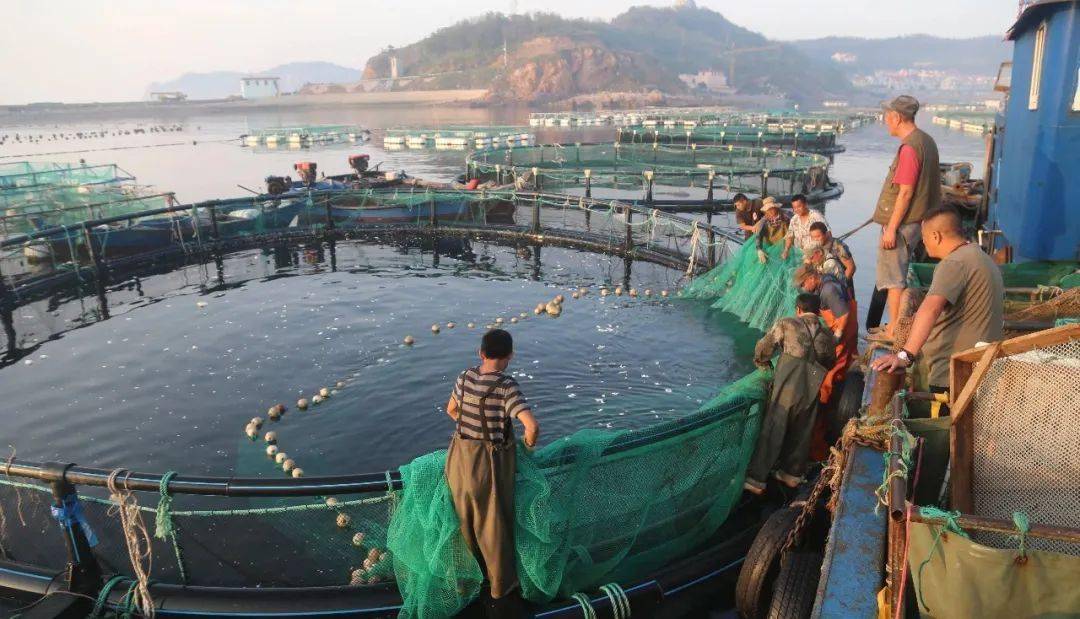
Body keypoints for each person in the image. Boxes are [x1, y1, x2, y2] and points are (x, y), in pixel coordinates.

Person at [444, 329, 540, 607]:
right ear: (509, 356)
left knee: (464, 523)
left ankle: (467, 581)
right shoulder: (507, 387)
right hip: (487, 466)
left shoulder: (464, 377)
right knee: (492, 527)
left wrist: (474, 426)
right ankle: (500, 588)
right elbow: (532, 427)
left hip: (458, 462)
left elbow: (451, 410)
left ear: (481, 353)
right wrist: (527, 448)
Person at [871, 206, 1004, 396]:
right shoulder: (982, 257)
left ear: (936, 236)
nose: (923, 243)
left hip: (953, 375)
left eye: (923, 238)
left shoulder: (953, 263)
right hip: (982, 368)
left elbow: (930, 309)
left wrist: (904, 355)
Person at [745, 294, 836, 494]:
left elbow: (765, 347)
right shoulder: (828, 333)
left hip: (788, 383)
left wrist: (761, 361)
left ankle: (756, 479)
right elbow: (831, 361)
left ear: (798, 309)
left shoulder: (787, 323)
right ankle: (792, 475)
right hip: (812, 385)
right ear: (819, 311)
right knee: (803, 430)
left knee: (774, 426)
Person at [874, 95, 941, 340]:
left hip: (903, 224)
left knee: (893, 278)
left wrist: (891, 228)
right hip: (919, 219)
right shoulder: (926, 140)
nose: (885, 121)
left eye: (887, 116)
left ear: (897, 117)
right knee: (896, 275)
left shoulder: (910, 147)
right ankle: (894, 326)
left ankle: (893, 330)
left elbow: (905, 192)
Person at [793, 265, 859, 406]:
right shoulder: (825, 279)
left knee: (830, 368)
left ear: (812, 278)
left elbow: (844, 314)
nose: (803, 288)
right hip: (849, 327)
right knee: (849, 361)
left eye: (803, 284)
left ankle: (824, 403)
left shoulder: (828, 290)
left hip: (844, 329)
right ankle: (844, 389)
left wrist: (837, 335)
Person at [808, 221, 856, 294]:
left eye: (818, 236)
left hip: (840, 287)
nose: (816, 240)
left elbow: (851, 267)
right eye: (813, 237)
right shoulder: (814, 247)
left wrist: (840, 287)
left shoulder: (838, 246)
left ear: (826, 234)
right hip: (822, 285)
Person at [781, 194, 828, 259]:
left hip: (815, 254)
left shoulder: (816, 216)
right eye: (794, 207)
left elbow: (828, 234)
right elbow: (790, 236)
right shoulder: (794, 219)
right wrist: (786, 250)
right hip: (799, 254)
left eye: (799, 206)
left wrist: (825, 253)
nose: (797, 209)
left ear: (805, 204)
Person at [755, 197, 789, 264]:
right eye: (767, 209)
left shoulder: (786, 216)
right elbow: (759, 235)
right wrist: (759, 249)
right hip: (770, 244)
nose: (769, 211)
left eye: (771, 208)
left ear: (776, 207)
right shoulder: (764, 221)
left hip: (785, 244)